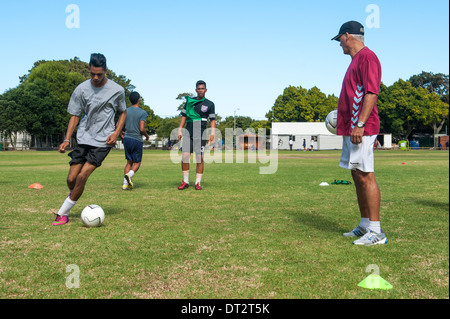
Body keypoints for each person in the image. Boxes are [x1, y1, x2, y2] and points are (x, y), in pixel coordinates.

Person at [52, 53, 127, 226]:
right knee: (71, 179)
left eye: (99, 74)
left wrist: (116, 133)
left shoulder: (117, 90)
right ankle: (75, 195)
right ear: (89, 70)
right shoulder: (81, 89)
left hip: (103, 141)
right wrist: (66, 139)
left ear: (106, 71)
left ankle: (63, 213)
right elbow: (75, 115)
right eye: (92, 74)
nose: (95, 77)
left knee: (82, 176)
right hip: (83, 138)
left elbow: (123, 112)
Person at [332, 21, 387, 245]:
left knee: (366, 175)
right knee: (356, 174)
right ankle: (365, 225)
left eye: (340, 40)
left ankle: (376, 231)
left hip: (361, 128)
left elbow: (372, 92)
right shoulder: (355, 61)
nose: (339, 45)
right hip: (352, 128)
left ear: (348, 36)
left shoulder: (367, 57)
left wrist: (360, 123)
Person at [177, 80, 216, 190]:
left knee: (199, 158)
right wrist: (179, 130)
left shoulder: (210, 104)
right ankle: (185, 181)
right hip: (188, 131)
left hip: (201, 133)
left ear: (206, 90)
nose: (200, 90)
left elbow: (212, 120)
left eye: (202, 88)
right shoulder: (189, 101)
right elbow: (184, 116)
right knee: (185, 156)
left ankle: (197, 183)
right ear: (196, 90)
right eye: (198, 88)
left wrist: (212, 133)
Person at [121, 91, 150, 190]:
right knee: (137, 162)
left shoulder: (125, 111)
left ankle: (125, 184)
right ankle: (129, 175)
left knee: (129, 162)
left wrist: (121, 133)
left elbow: (118, 125)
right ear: (139, 99)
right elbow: (142, 128)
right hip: (136, 139)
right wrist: (146, 135)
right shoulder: (142, 113)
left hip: (127, 139)